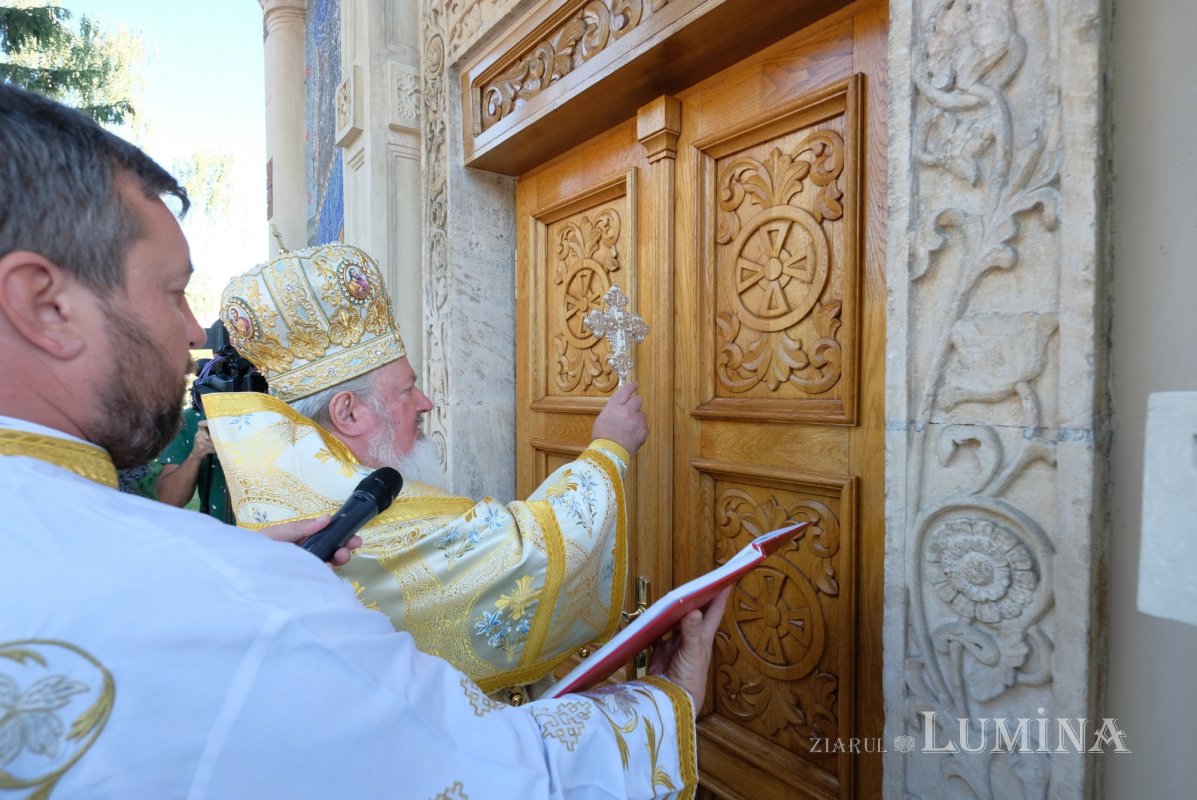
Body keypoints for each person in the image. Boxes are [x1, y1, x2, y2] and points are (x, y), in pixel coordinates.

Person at [0, 83, 727, 797]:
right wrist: (664, 706)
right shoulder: (234, 591)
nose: (193, 333)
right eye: (172, 292)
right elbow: (495, 771)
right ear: (44, 305)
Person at [206, 242, 649, 695]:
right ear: (349, 413)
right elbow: (525, 558)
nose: (426, 404)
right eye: (406, 391)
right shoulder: (355, 518)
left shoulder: (281, 492)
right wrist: (610, 448)